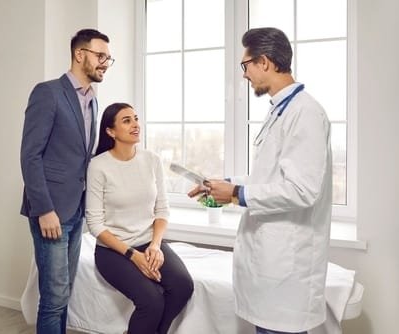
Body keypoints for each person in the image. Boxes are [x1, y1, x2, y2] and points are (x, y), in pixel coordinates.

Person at [189, 27, 332, 334]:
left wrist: (237, 193)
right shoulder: (281, 111)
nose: (244, 75)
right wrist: (225, 185)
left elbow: (301, 190)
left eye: (246, 65)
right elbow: (269, 178)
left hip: (287, 271)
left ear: (264, 62)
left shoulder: (305, 113)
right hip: (271, 271)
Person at [20, 28, 113, 334]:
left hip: (76, 209)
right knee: (54, 296)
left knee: (64, 292)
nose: (104, 63)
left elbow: (82, 158)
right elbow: (30, 155)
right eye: (100, 56)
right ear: (79, 54)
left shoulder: (92, 101)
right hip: (51, 211)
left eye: (108, 59)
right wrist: (44, 209)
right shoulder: (48, 92)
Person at [86, 103, 194, 334]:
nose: (135, 124)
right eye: (126, 120)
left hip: (148, 242)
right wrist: (133, 255)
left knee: (183, 286)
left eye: (135, 118)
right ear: (110, 131)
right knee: (152, 301)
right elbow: (94, 224)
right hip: (113, 251)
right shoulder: (98, 166)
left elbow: (162, 210)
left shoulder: (152, 160)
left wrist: (155, 245)